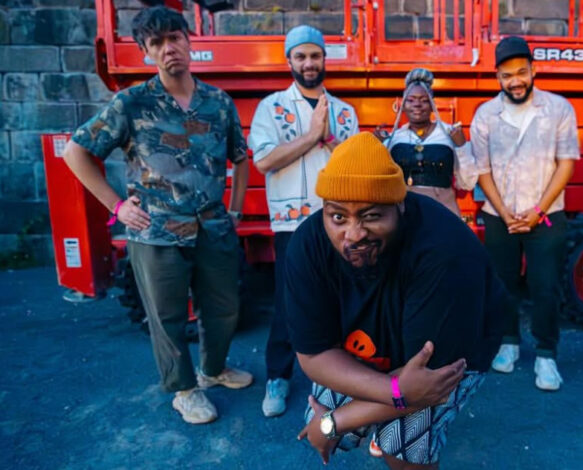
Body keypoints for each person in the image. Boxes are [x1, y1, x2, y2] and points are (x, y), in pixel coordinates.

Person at [63, 7, 252, 424]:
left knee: (223, 307)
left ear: (188, 40)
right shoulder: (132, 103)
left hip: (213, 227)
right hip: (157, 232)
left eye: (175, 38)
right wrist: (117, 206)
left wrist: (236, 210)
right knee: (167, 318)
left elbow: (240, 158)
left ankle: (213, 370)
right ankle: (184, 391)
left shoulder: (217, 102)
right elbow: (75, 152)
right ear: (146, 52)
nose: (169, 48)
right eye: (157, 43)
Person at [289, 132, 506, 469]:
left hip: (453, 351)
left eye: (371, 216)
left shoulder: (444, 251)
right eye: (338, 217)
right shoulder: (309, 243)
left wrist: (333, 423)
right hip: (380, 344)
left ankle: (387, 433)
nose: (353, 234)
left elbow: (429, 385)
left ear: (400, 205)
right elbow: (313, 354)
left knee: (401, 443)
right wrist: (393, 391)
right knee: (324, 409)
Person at [248, 25, 359, 418]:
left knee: (339, 299)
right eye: (301, 56)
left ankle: (337, 381)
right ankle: (278, 376)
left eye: (315, 55)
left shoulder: (344, 111)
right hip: (292, 223)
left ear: (324, 59)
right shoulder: (272, 107)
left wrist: (328, 139)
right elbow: (264, 160)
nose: (309, 63)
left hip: (337, 222)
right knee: (287, 300)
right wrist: (312, 135)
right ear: (289, 61)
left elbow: (354, 165)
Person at [470, 36, 580, 391]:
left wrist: (537, 210)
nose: (515, 81)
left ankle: (547, 355)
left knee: (545, 286)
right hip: (498, 214)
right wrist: (504, 212)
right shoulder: (486, 114)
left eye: (521, 72)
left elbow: (566, 163)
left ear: (534, 70)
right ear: (498, 78)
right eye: (507, 76)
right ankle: (508, 343)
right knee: (502, 283)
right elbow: (481, 169)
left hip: (546, 215)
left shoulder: (559, 108)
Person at [376, 68, 477, 215]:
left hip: (442, 212)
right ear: (403, 105)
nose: (417, 105)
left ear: (432, 105)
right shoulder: (394, 139)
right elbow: (379, 183)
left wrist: (462, 146)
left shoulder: (449, 135)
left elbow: (468, 183)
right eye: (411, 100)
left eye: (424, 100)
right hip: (404, 214)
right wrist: (376, 148)